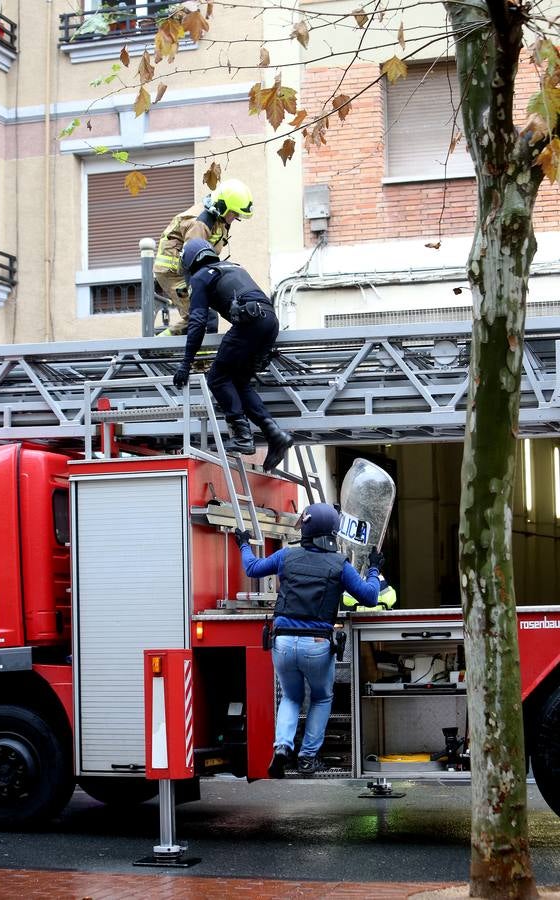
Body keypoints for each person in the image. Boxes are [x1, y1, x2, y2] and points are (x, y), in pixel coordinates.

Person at [234, 503, 384, 777]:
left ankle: (282, 747)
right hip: (316, 644)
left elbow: (253, 568)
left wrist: (243, 544)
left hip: (282, 642)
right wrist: (373, 569)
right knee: (321, 698)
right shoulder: (340, 564)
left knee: (290, 697)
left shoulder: (285, 557)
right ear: (331, 533)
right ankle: (307, 758)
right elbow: (370, 597)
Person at [172, 238, 294, 471]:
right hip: (269, 321)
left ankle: (242, 438)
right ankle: (275, 435)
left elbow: (197, 321)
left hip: (250, 323)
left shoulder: (200, 277)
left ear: (189, 262)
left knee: (217, 378)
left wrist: (186, 364)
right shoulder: (233, 267)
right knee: (238, 381)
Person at [154, 179, 253, 336]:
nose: (235, 217)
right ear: (222, 205)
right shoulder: (200, 224)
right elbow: (192, 261)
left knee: (204, 316)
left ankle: (196, 356)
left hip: (187, 269)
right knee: (199, 315)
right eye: (234, 213)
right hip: (174, 272)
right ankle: (155, 349)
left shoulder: (219, 218)